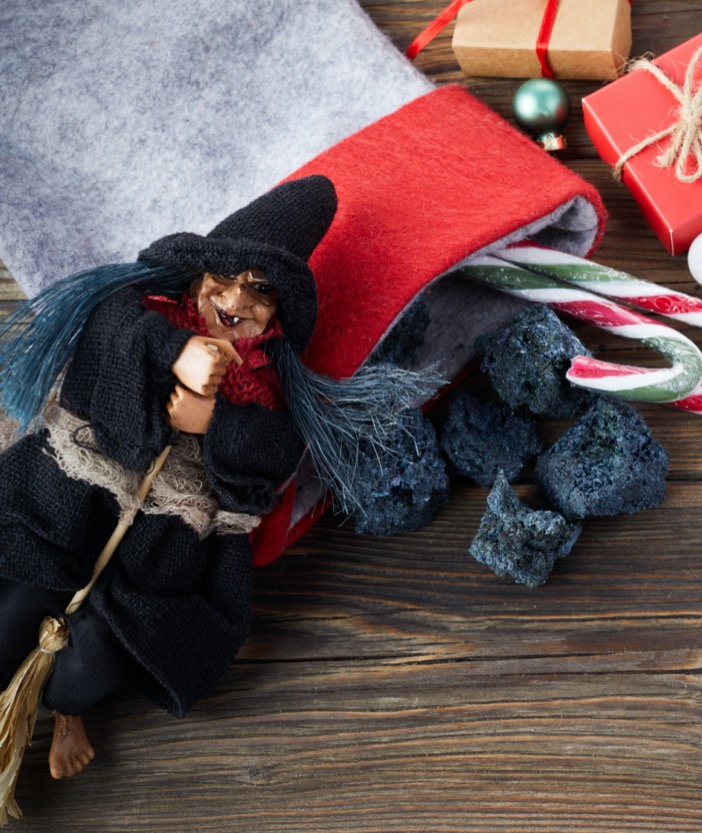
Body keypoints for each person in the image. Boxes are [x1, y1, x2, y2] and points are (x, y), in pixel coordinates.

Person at [0, 175, 434, 780]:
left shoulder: (271, 383)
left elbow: (276, 451)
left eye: (261, 290)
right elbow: (108, 334)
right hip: (80, 489)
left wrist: (219, 421)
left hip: (166, 534)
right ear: (199, 278)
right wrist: (175, 352)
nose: (239, 299)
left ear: (278, 311)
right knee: (18, 601)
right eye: (224, 280)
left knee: (93, 655)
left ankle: (67, 712)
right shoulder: (144, 313)